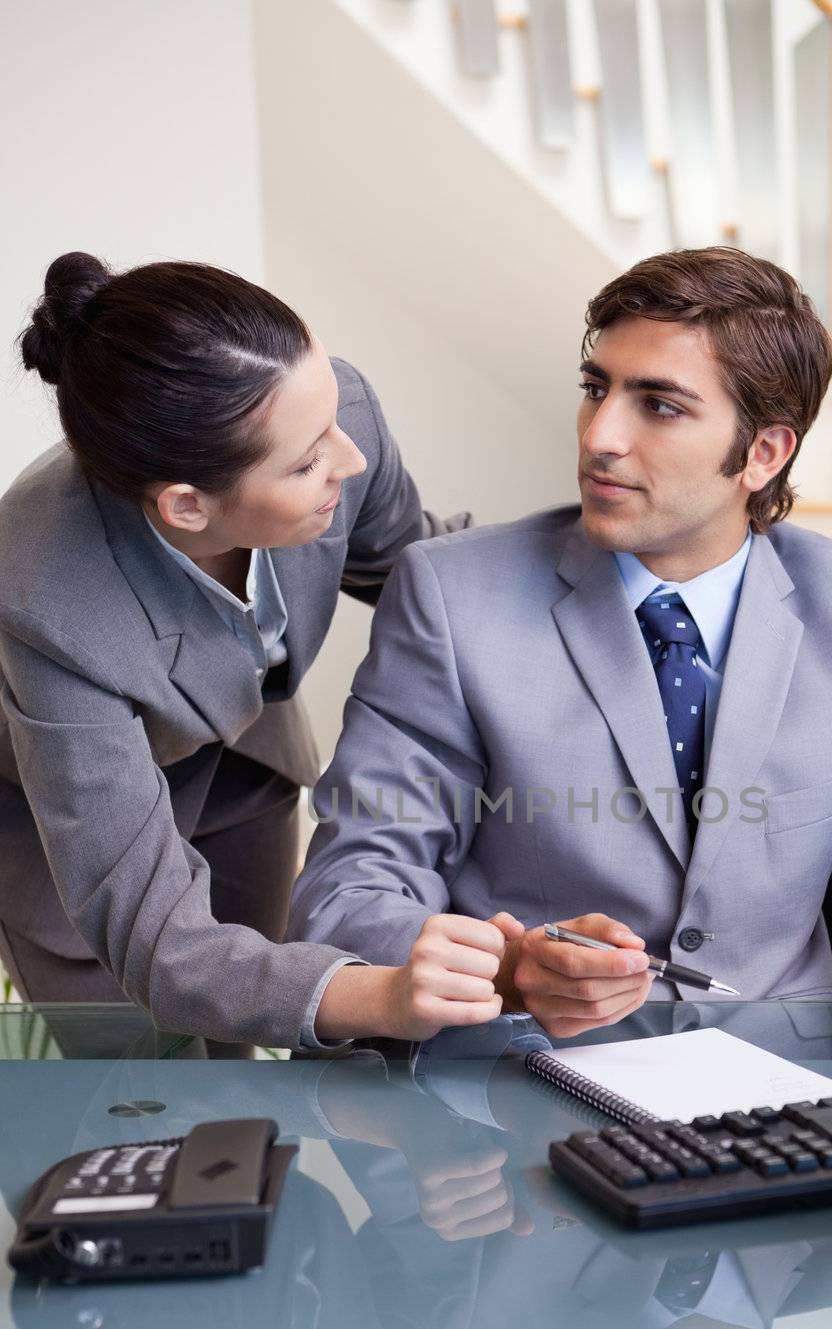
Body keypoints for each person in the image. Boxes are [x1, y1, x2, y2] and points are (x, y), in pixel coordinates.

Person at [289, 246, 832, 1037]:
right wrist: (504, 972)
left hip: (800, 1076)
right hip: (527, 1074)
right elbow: (352, 887)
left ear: (763, 453)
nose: (600, 435)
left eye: (659, 405)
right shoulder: (452, 595)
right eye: (595, 389)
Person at [0, 252, 510, 1047]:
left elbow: (425, 574)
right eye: (308, 463)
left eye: (334, 422)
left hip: (245, 763)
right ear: (188, 506)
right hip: (62, 822)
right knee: (137, 1097)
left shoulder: (328, 427)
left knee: (241, 1055)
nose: (352, 460)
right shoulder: (46, 600)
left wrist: (604, 568)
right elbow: (164, 948)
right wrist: (384, 997)